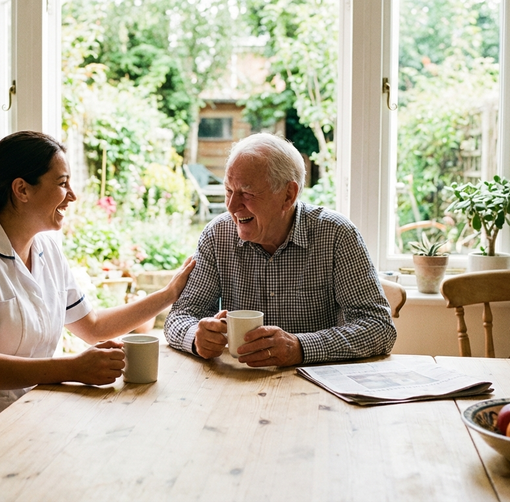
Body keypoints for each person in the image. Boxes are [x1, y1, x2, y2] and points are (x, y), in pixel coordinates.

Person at [0, 131, 195, 476]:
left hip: (30, 417)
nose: (72, 196)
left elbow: (92, 328)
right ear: (22, 189)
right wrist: (73, 368)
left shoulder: (46, 250)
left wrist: (167, 296)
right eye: (62, 184)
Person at [164, 132, 395, 367]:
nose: (232, 206)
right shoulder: (217, 235)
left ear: (288, 195)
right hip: (239, 385)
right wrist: (196, 337)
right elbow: (179, 317)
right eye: (228, 191)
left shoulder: (336, 234)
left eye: (247, 193)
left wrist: (300, 347)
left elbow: (379, 328)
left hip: (317, 389)